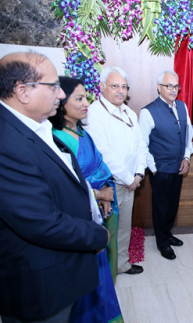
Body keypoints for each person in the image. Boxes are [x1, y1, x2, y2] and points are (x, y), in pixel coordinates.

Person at [0, 52, 109, 322]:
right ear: (23, 92)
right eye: (53, 87)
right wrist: (98, 236)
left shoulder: (35, 126)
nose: (61, 95)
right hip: (41, 285)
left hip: (61, 271)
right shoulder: (6, 143)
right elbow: (41, 222)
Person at [48, 76, 123, 322]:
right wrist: (99, 193)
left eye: (85, 98)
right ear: (60, 102)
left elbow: (99, 164)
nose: (85, 104)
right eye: (78, 99)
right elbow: (63, 186)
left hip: (101, 207)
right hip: (80, 215)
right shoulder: (56, 137)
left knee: (102, 272)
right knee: (86, 280)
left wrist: (105, 193)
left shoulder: (79, 130)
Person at [85, 67, 148, 275]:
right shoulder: (94, 114)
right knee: (107, 229)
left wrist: (138, 174)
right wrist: (130, 179)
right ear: (102, 87)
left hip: (130, 183)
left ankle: (122, 264)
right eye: (114, 86)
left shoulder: (129, 113)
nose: (120, 91)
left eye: (124, 86)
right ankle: (106, 270)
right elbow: (105, 154)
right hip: (108, 185)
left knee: (124, 228)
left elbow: (140, 145)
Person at [139, 71, 193, 260]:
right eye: (168, 86)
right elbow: (142, 144)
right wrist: (153, 168)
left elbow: (188, 133)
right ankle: (162, 242)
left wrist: (186, 157)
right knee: (161, 207)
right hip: (160, 169)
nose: (173, 90)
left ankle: (168, 234)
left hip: (178, 168)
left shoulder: (182, 106)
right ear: (158, 87)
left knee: (172, 205)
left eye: (176, 86)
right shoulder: (148, 112)